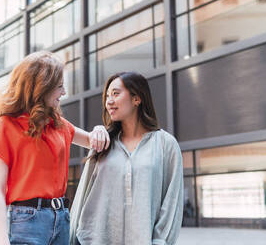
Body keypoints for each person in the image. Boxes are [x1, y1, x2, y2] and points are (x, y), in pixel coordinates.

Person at [0, 51, 109, 245]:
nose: (64, 92)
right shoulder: (5, 126)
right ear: (41, 88)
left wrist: (100, 129)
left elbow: (92, 140)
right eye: (59, 86)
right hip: (27, 221)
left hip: (62, 218)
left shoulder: (57, 123)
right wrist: (2, 241)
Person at [70, 72, 184, 245]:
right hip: (92, 240)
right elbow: (83, 194)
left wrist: (160, 241)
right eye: (107, 96)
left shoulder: (165, 144)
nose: (109, 101)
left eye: (115, 94)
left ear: (136, 98)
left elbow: (172, 201)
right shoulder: (103, 143)